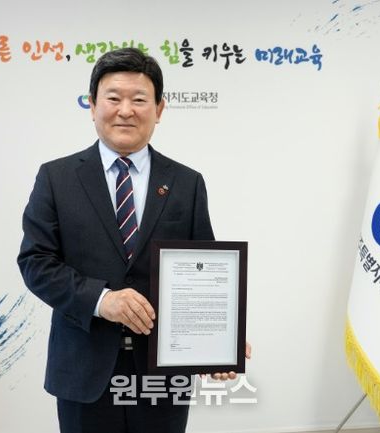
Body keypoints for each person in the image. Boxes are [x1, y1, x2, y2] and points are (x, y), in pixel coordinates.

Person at [18, 48, 248, 433]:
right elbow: (36, 263)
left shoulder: (186, 182)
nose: (125, 110)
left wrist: (218, 343)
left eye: (139, 100)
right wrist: (102, 300)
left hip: (163, 373)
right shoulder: (56, 178)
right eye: (113, 98)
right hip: (84, 370)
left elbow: (204, 272)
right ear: (92, 105)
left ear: (159, 109)